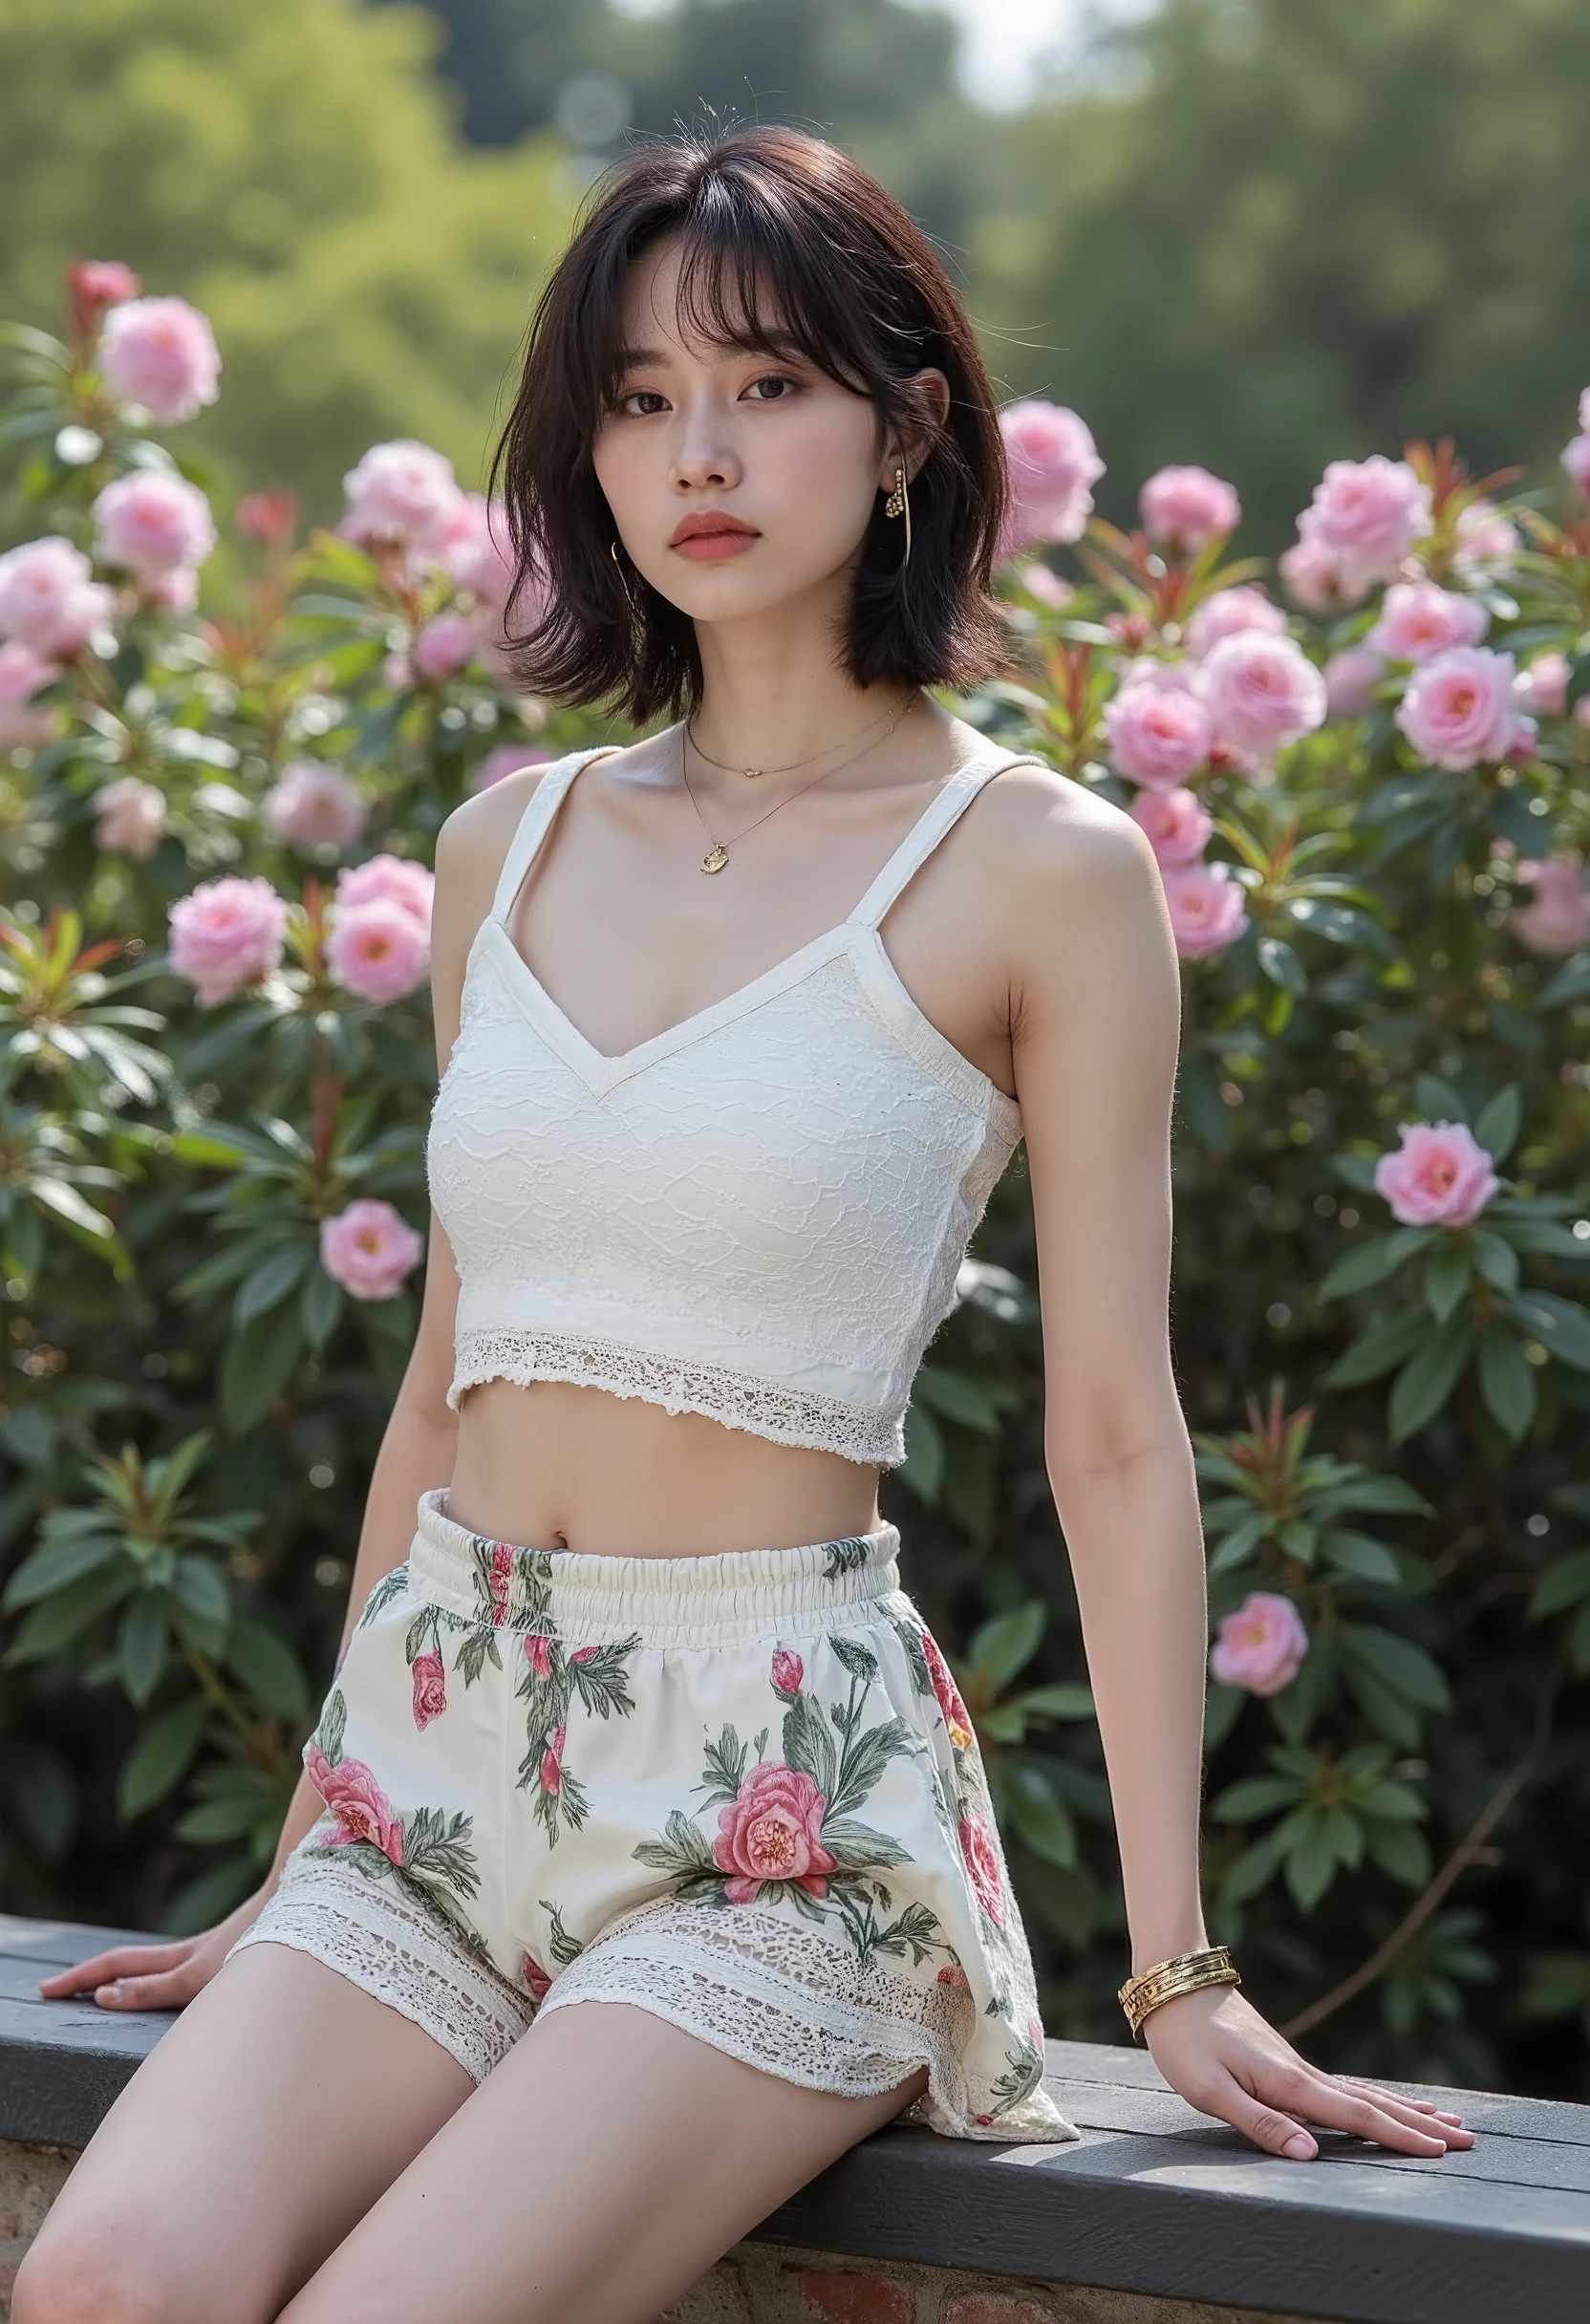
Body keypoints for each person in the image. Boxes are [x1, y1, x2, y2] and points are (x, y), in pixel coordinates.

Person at [17, 124, 1472, 2324]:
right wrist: (320, 1822)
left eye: (767, 384)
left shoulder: (1038, 870)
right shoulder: (507, 848)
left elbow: (1114, 1435)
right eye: (634, 399)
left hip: (777, 1818)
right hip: (430, 1775)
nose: (696, 451)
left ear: (903, 433)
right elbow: (444, 1383)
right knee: (97, 2279)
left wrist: (1174, 1970)